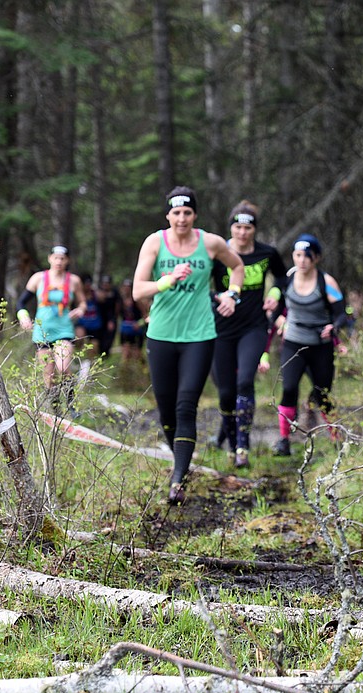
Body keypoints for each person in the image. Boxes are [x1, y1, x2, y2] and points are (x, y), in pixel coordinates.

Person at [133, 186, 245, 505]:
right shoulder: (155, 242)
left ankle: (178, 480)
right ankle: (181, 462)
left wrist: (232, 295)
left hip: (199, 335)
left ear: (195, 215)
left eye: (187, 213)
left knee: (186, 406)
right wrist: (167, 280)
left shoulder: (210, 243)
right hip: (162, 335)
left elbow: (238, 267)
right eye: (176, 212)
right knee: (166, 410)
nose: (181, 218)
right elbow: (138, 291)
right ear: (168, 215)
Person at [210, 200, 288, 468]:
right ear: (230, 228)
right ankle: (231, 445)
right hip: (221, 328)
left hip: (253, 327)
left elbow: (282, 277)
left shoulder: (267, 253)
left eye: (248, 228)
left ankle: (243, 445)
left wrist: (275, 294)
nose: (242, 233)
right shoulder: (218, 254)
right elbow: (200, 286)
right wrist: (216, 297)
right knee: (225, 391)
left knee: (245, 381)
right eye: (238, 227)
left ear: (254, 230)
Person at [272, 233, 347, 457]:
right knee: (288, 388)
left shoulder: (326, 282)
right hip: (293, 343)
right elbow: (274, 311)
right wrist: (280, 321)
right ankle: (283, 440)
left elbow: (341, 314)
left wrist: (333, 328)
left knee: (323, 394)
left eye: (307, 256)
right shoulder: (286, 281)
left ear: (316, 258)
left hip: (320, 346)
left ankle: (336, 439)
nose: (302, 260)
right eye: (297, 255)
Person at [16, 245, 87, 409]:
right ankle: (56, 410)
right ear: (50, 259)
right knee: (49, 375)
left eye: (62, 259)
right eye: (56, 258)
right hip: (42, 332)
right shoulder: (38, 278)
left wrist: (80, 310)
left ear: (67, 260)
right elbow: (21, 303)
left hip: (64, 330)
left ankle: (71, 404)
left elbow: (83, 302)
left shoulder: (74, 280)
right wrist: (24, 317)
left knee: (63, 367)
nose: (59, 261)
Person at [115, 278, 146, 366]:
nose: (126, 289)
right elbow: (116, 315)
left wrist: (139, 324)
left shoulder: (137, 300)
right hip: (125, 329)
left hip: (136, 330)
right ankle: (124, 373)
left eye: (128, 287)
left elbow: (145, 316)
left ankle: (144, 369)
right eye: (125, 287)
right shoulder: (120, 301)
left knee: (137, 354)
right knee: (125, 353)